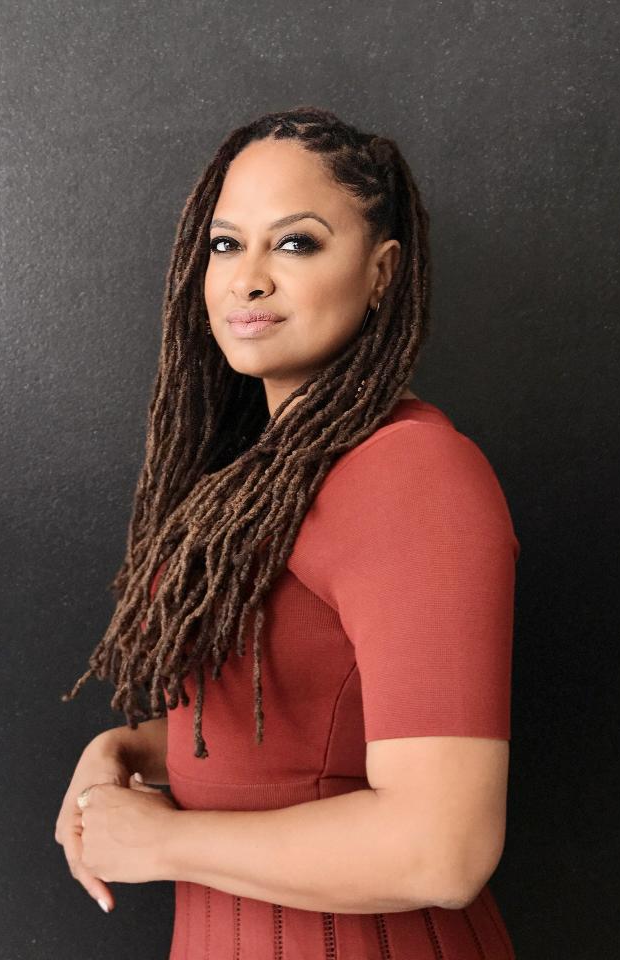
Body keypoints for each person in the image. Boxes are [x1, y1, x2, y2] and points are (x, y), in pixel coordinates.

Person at [54, 105, 520, 960]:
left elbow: (443, 847)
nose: (248, 278)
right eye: (227, 244)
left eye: (296, 242)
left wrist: (160, 843)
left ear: (382, 273)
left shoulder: (413, 475)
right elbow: (294, 740)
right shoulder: (262, 478)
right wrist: (125, 749)